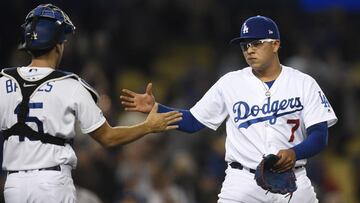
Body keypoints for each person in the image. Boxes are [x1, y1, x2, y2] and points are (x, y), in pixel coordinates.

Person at [120, 15, 338, 203]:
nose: (250, 50)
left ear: (275, 44)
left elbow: (320, 135)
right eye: (245, 45)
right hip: (242, 181)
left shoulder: (303, 83)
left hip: (293, 178)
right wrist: (156, 108)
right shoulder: (230, 83)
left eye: (257, 43)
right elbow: (193, 121)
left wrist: (294, 152)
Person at [0, 4, 182, 203]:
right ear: (58, 44)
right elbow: (108, 138)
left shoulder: (3, 81)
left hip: (14, 185)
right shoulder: (70, 84)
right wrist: (147, 126)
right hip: (51, 183)